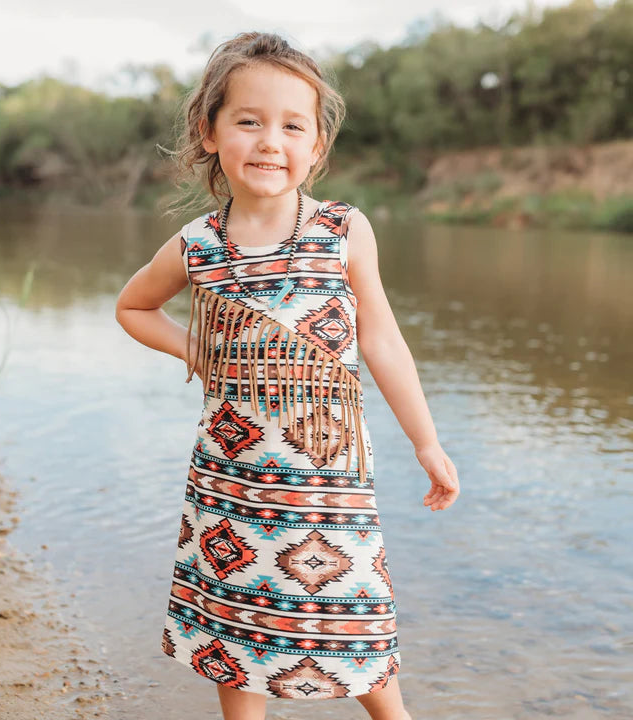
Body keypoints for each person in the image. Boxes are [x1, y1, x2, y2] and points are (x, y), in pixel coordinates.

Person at [115, 31, 460, 720]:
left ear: (317, 147)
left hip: (329, 477)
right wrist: (198, 350)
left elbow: (382, 340)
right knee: (238, 613)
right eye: (249, 121)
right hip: (232, 476)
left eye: (292, 126)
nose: (270, 142)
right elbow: (132, 307)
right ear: (210, 132)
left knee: (352, 612)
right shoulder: (198, 244)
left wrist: (426, 442)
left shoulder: (342, 231)